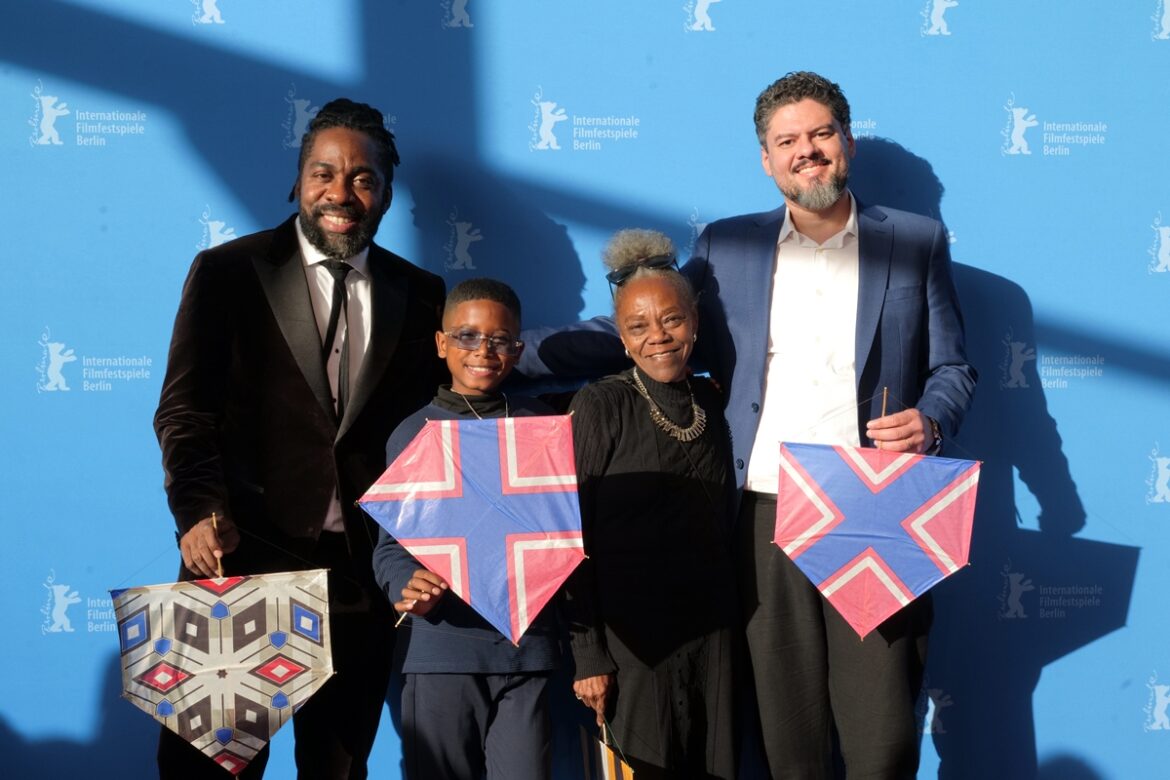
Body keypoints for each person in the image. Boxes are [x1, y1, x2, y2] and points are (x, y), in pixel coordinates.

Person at [519, 72, 977, 779]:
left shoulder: (915, 241)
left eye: (821, 134)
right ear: (766, 159)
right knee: (787, 740)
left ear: (846, 142)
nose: (807, 151)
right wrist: (507, 354)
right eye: (786, 140)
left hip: (878, 505)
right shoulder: (728, 245)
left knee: (882, 740)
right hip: (765, 511)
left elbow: (954, 367)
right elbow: (650, 325)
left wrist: (931, 420)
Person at [153, 98, 446, 779]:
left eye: (363, 177)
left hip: (359, 578)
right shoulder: (228, 271)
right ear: (297, 180)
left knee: (338, 769)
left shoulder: (423, 293)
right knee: (203, 771)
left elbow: (447, 414)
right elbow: (184, 412)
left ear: (387, 191)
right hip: (238, 562)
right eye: (324, 173)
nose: (341, 193)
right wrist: (197, 511)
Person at [372, 278, 561, 780]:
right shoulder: (413, 433)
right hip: (442, 651)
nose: (484, 351)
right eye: (467, 337)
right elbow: (390, 548)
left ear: (518, 349)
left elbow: (560, 535)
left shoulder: (541, 428)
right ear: (441, 343)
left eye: (500, 341)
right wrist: (404, 582)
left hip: (526, 653)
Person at [565, 230, 737, 779]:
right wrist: (588, 654)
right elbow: (568, 536)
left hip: (713, 639)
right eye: (638, 326)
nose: (657, 337)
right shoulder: (601, 403)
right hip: (630, 646)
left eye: (672, 320)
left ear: (695, 323)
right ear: (621, 338)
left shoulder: (716, 401)